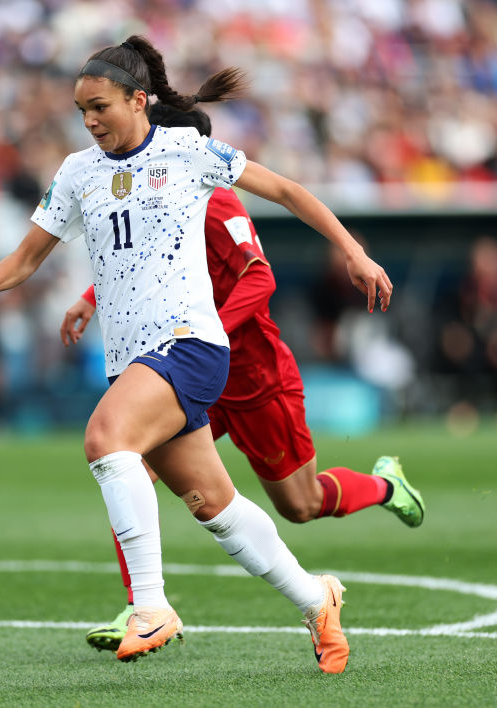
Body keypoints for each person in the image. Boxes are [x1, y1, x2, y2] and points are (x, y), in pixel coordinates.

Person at [0, 35, 394, 674]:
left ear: (139, 100)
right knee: (216, 507)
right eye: (82, 111)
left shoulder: (186, 151)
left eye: (100, 106)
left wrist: (354, 252)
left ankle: (151, 606)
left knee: (106, 439)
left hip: (189, 345)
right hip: (133, 358)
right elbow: (26, 257)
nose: (90, 120)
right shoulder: (78, 172)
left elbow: (287, 190)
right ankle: (315, 599)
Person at [60, 104, 425, 652]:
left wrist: (204, 333)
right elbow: (144, 260)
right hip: (184, 371)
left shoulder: (216, 198)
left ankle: (385, 486)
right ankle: (143, 605)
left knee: (300, 504)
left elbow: (260, 278)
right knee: (127, 462)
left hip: (250, 376)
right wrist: (93, 297)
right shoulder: (152, 191)